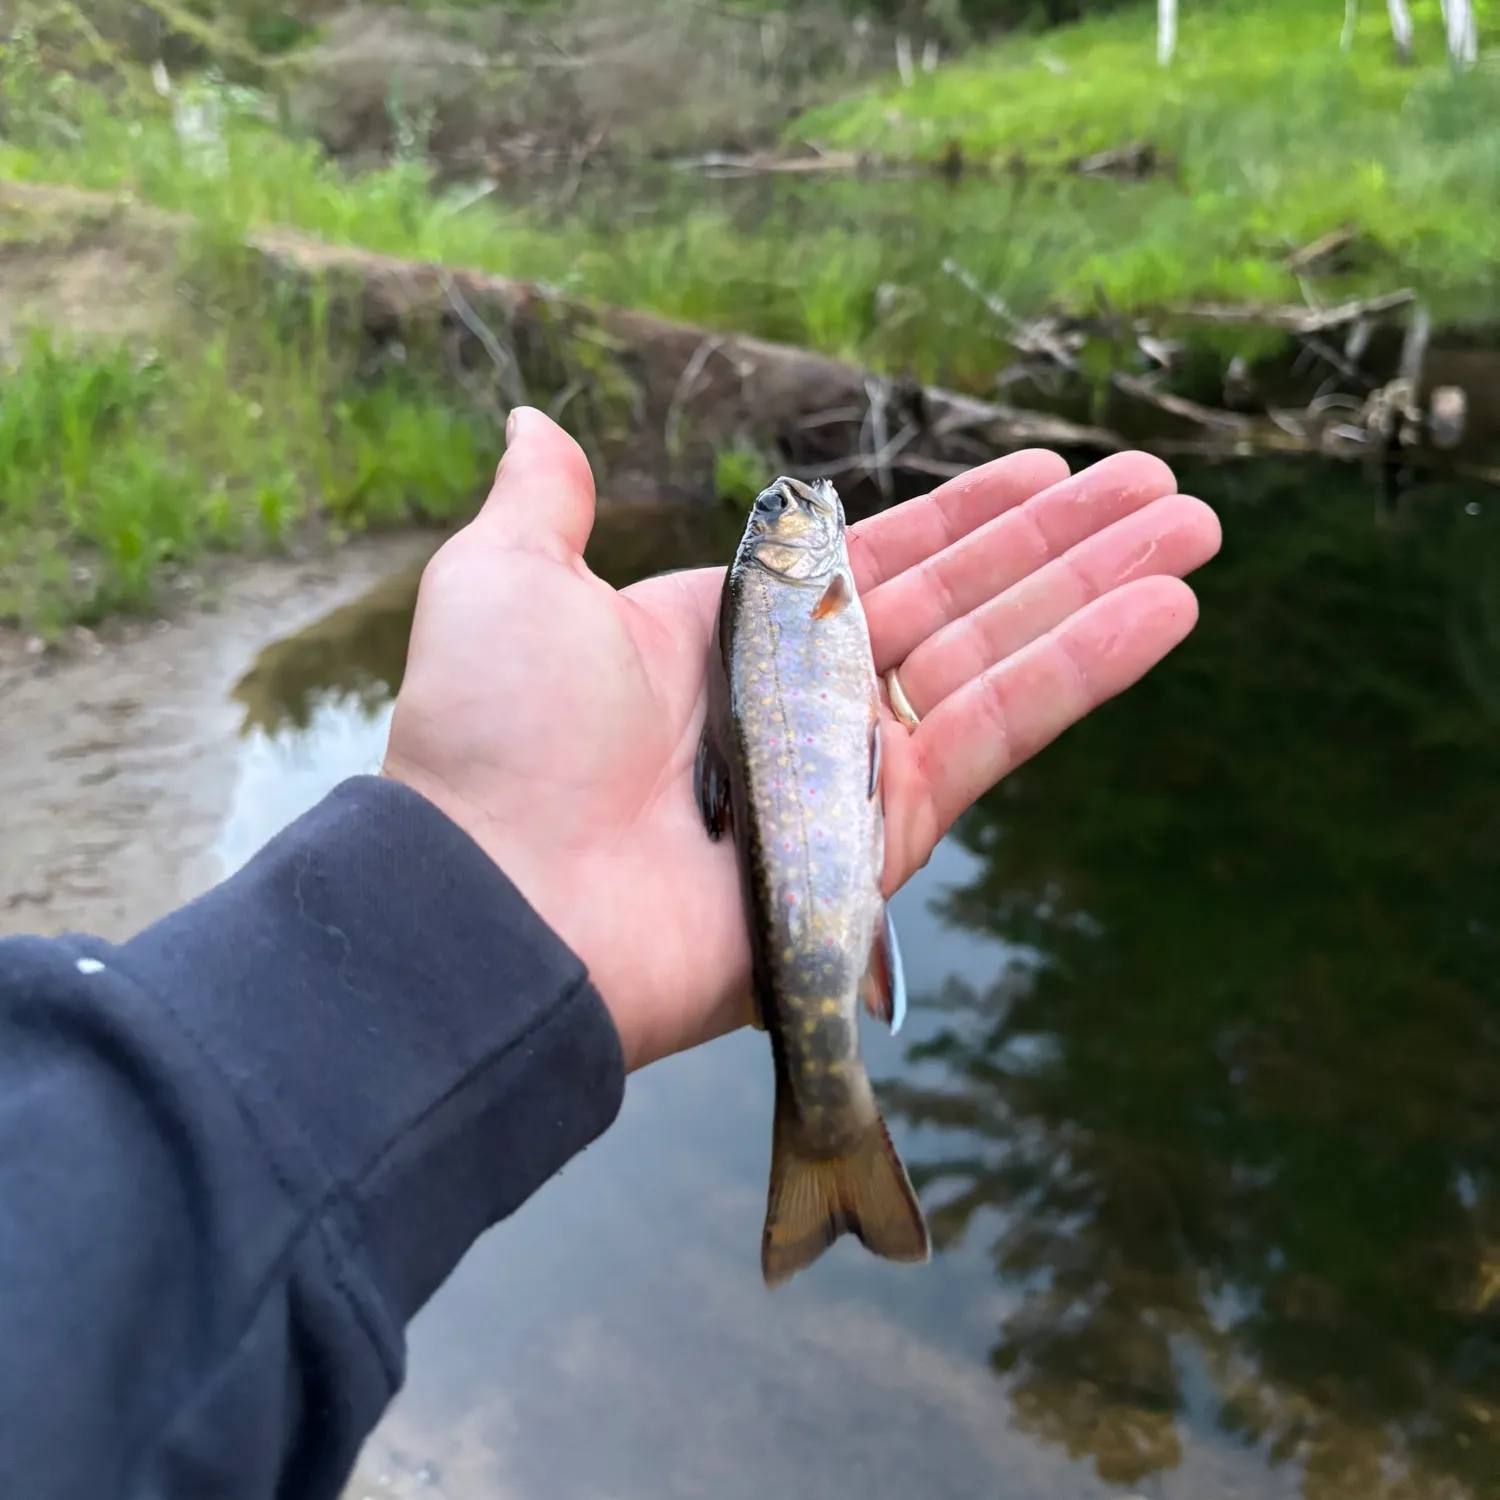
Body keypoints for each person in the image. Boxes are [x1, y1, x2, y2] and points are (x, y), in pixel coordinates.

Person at [0, 409, 1220, 1497]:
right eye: (783, 516)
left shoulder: (804, 599)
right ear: (792, 568)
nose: (800, 512)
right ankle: (828, 1131)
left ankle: (826, 1127)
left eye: (785, 514)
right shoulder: (810, 593)